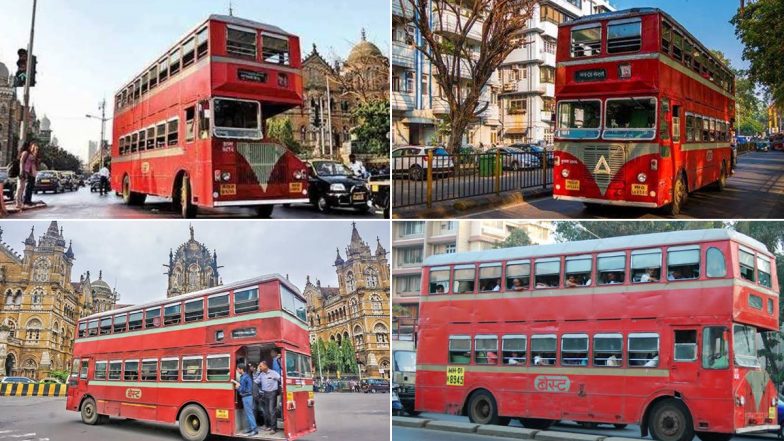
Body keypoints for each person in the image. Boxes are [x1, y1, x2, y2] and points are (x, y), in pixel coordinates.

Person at [255, 360, 281, 434]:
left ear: (265, 366)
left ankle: (274, 428)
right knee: (266, 411)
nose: (260, 367)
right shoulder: (261, 374)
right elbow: (256, 381)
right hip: (265, 393)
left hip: (272, 393)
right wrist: (257, 371)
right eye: (259, 366)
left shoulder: (273, 373)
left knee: (271, 411)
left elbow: (281, 379)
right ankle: (269, 426)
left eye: (261, 366)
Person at [232, 364, 258, 436]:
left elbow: (244, 389)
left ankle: (254, 430)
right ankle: (250, 428)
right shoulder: (244, 376)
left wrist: (238, 388)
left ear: (241, 369)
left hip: (247, 397)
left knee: (249, 414)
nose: (237, 370)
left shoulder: (245, 377)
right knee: (248, 414)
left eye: (237, 369)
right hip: (247, 397)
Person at [22, 142, 39, 207]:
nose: (36, 150)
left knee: (31, 187)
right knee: (28, 186)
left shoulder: (33, 154)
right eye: (35, 148)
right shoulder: (29, 154)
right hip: (29, 172)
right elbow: (26, 162)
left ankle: (28, 200)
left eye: (37, 149)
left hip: (33, 172)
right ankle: (26, 200)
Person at [15, 142, 30, 210]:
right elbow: (21, 162)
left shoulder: (24, 152)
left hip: (24, 172)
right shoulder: (25, 152)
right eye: (29, 146)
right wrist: (22, 171)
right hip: (23, 172)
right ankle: (18, 203)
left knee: (21, 187)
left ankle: (19, 202)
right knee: (21, 187)